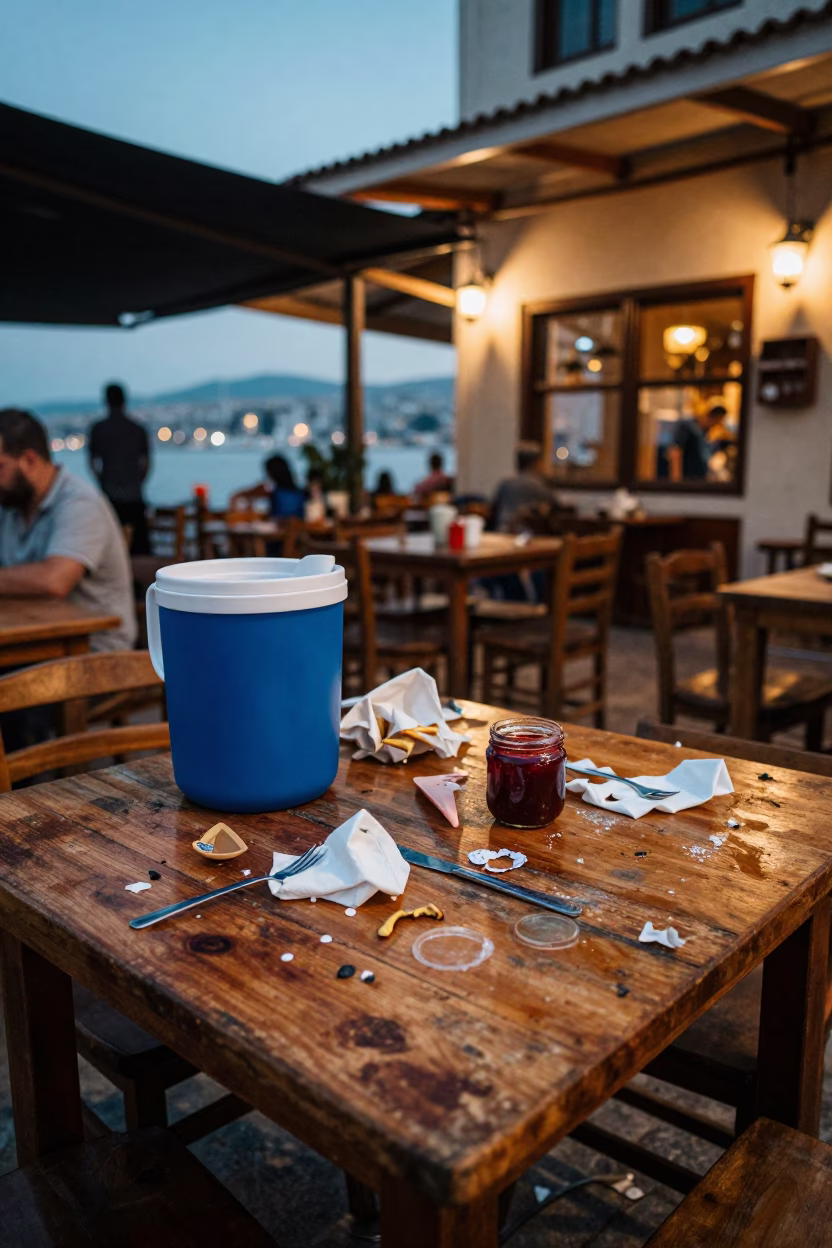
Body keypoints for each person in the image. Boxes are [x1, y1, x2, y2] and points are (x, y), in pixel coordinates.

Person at [0, 408, 136, 652]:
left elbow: (55, 580)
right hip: (34, 639)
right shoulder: (11, 506)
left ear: (29, 460)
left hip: (95, 653)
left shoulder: (79, 503)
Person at [88, 383, 150, 553]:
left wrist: (102, 480)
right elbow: (146, 463)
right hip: (135, 495)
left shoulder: (98, 429)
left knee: (109, 548)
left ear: (106, 401)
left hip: (109, 495)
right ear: (125, 400)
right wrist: (138, 481)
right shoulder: (137, 429)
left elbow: (92, 462)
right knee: (139, 548)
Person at [492, 442, 560, 532]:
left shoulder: (506, 483)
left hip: (502, 530)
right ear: (535, 463)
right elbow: (556, 506)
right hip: (528, 534)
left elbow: (494, 508)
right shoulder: (539, 485)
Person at [666, 404, 728, 483]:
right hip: (687, 479)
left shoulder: (705, 432)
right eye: (717, 422)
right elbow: (675, 453)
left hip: (699, 479)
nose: (715, 426)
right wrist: (676, 482)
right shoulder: (688, 427)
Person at [265, 454, 305, 519]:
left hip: (282, 527)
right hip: (299, 526)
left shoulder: (277, 494)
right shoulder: (300, 493)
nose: (267, 476)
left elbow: (274, 517)